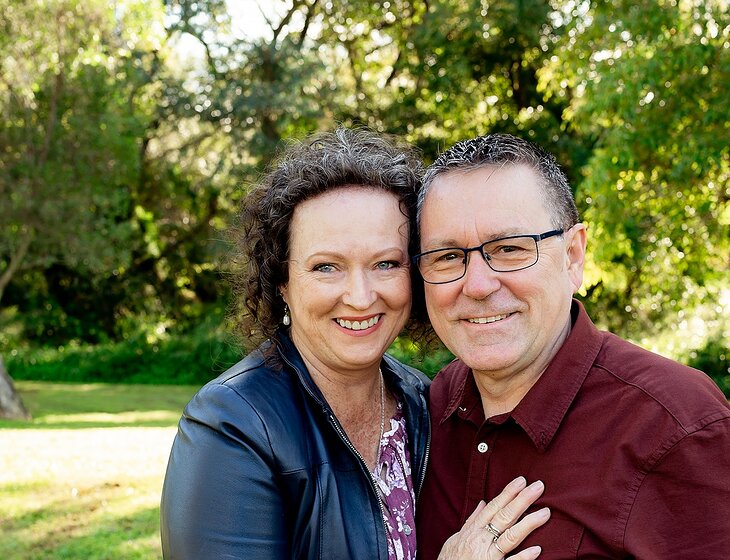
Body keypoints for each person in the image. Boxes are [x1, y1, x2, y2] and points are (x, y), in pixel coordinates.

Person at [160, 128, 550, 560]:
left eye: (386, 263)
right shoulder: (233, 424)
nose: (361, 297)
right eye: (327, 267)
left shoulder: (425, 403)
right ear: (282, 281)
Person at [413, 133, 730, 559]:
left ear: (573, 256)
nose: (478, 285)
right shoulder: (426, 412)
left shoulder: (677, 426)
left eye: (509, 249)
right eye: (448, 256)